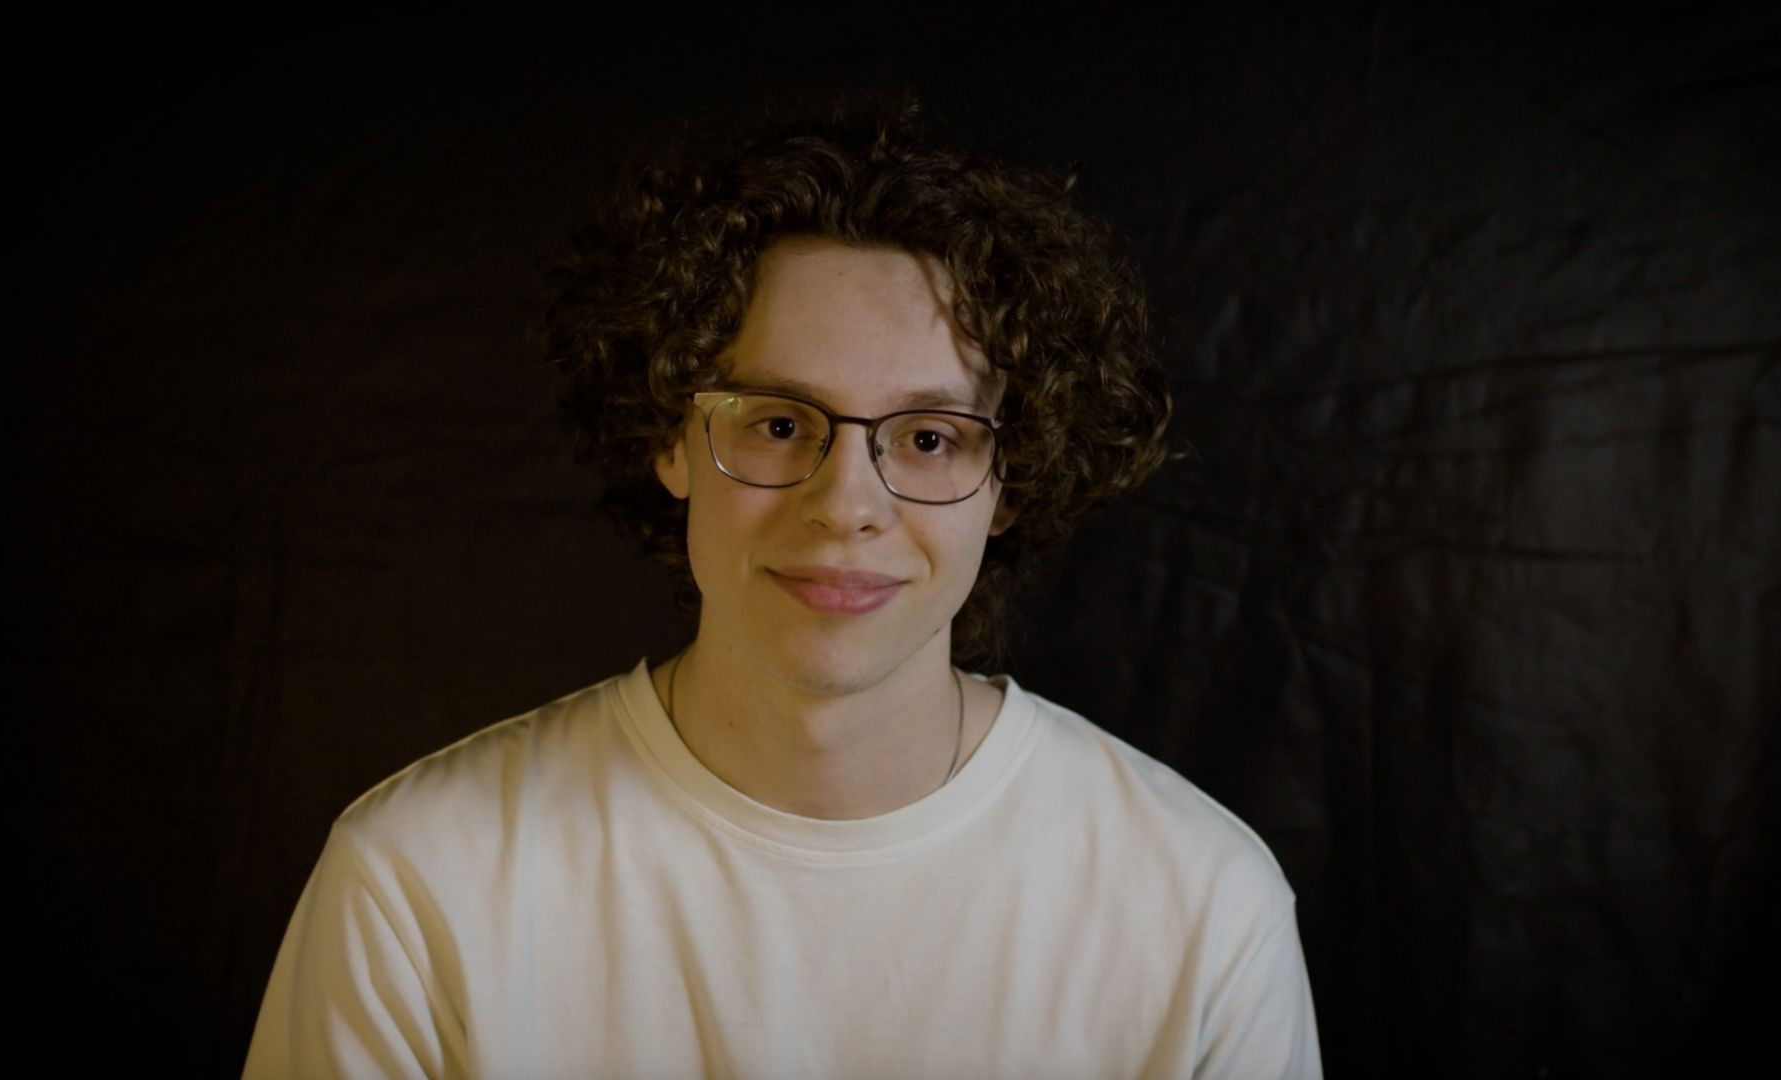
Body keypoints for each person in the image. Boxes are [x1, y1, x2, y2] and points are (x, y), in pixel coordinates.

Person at [241, 95, 1322, 1079]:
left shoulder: (1200, 907)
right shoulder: (419, 883)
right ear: (670, 439)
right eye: (775, 423)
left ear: (1011, 481)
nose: (845, 504)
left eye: (929, 437)